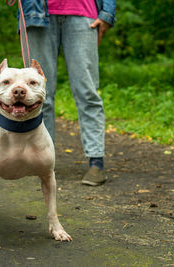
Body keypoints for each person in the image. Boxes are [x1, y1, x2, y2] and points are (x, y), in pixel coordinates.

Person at [19, 0, 116, 186]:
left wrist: (107, 14)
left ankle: (96, 161)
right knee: (38, 95)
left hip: (83, 12)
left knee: (87, 92)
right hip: (35, 13)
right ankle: (42, 160)